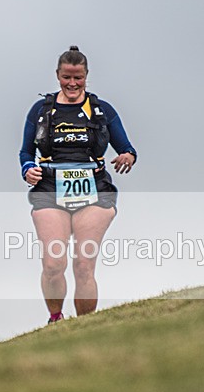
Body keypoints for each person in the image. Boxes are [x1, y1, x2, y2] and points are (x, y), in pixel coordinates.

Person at [19, 46, 138, 324]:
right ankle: (56, 318)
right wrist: (27, 170)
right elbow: (26, 152)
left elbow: (128, 148)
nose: (72, 84)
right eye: (66, 77)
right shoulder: (41, 110)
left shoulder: (101, 110)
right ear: (57, 75)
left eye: (78, 78)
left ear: (86, 76)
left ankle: (84, 327)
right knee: (53, 264)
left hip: (95, 192)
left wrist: (127, 157)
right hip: (50, 190)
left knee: (83, 265)